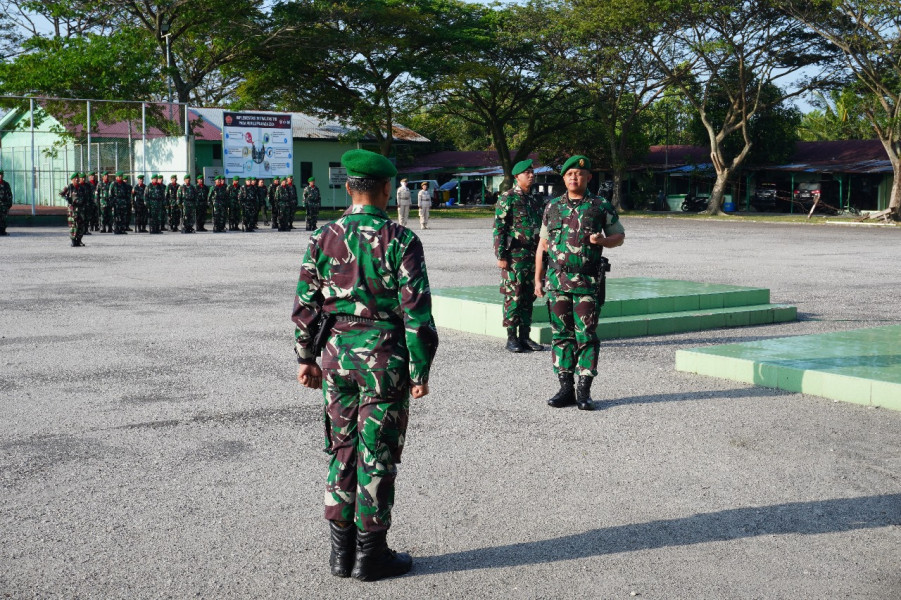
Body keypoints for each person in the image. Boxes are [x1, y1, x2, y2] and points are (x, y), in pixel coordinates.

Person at [291, 149, 438, 582]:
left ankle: (341, 554)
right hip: (385, 360)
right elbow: (418, 314)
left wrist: (305, 357)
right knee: (378, 454)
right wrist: (420, 370)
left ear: (351, 186)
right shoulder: (402, 239)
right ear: (387, 189)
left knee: (343, 448)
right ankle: (371, 556)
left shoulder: (323, 236)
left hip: (336, 356)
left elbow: (305, 304)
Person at [534, 155, 625, 411]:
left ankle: (584, 389)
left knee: (585, 335)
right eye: (570, 173)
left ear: (588, 178)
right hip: (557, 281)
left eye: (580, 174)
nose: (574, 177)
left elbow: (619, 235)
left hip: (586, 282)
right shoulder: (551, 207)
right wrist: (537, 279)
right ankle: (565, 387)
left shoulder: (600, 206)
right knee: (561, 335)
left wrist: (603, 242)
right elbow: (543, 245)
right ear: (564, 178)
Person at [494, 159, 545, 353]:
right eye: (527, 173)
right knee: (513, 296)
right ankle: (511, 337)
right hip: (515, 255)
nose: (531, 175)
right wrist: (501, 255)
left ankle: (525, 336)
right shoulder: (507, 198)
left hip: (533, 255)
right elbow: (499, 229)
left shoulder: (535, 199)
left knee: (528, 296)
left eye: (532, 172)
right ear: (517, 176)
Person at [61, 172, 88, 247]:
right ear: (72, 180)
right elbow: (61, 193)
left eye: (77, 178)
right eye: (75, 178)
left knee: (81, 225)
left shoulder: (81, 187)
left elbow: (85, 197)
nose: (77, 179)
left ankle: (78, 240)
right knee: (73, 225)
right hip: (72, 209)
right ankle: (73, 240)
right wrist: (67, 198)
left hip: (80, 209)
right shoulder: (69, 187)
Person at [0, 170, 12, 236]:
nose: (0, 176)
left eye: (1, 174)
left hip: (4, 205)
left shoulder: (6, 184)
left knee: (3, 219)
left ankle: (2, 231)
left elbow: (10, 195)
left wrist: (9, 205)